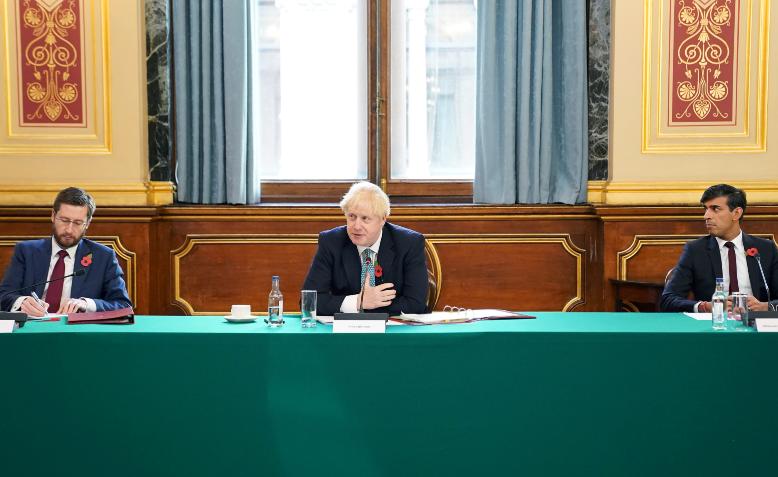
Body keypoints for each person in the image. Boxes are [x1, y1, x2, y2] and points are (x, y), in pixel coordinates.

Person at [0, 187, 132, 316]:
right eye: (64, 220)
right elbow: (4, 295)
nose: (69, 230)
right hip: (31, 330)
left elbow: (123, 305)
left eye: (78, 223)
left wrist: (86, 304)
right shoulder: (26, 251)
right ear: (53, 215)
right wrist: (22, 302)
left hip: (79, 333)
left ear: (88, 223)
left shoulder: (104, 256)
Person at [302, 181, 429, 316]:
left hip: (393, 332)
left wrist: (368, 306)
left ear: (383, 219)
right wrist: (358, 302)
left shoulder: (409, 243)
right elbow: (309, 302)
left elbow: (416, 303)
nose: (356, 226)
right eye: (352, 217)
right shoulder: (331, 242)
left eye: (365, 218)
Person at [660, 184, 778, 312]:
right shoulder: (695, 250)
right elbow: (668, 300)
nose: (706, 216)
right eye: (706, 209)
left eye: (715, 209)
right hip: (714, 326)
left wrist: (766, 307)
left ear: (736, 213)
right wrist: (706, 306)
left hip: (757, 327)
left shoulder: (766, 249)